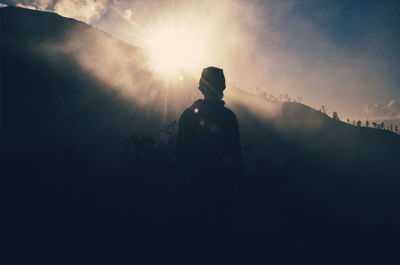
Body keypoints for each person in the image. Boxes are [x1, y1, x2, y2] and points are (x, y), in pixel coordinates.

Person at [176, 66, 242, 241]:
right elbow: (236, 158)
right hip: (221, 191)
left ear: (202, 88)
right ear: (222, 89)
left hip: (195, 190)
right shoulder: (228, 118)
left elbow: (180, 155)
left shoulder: (189, 115)